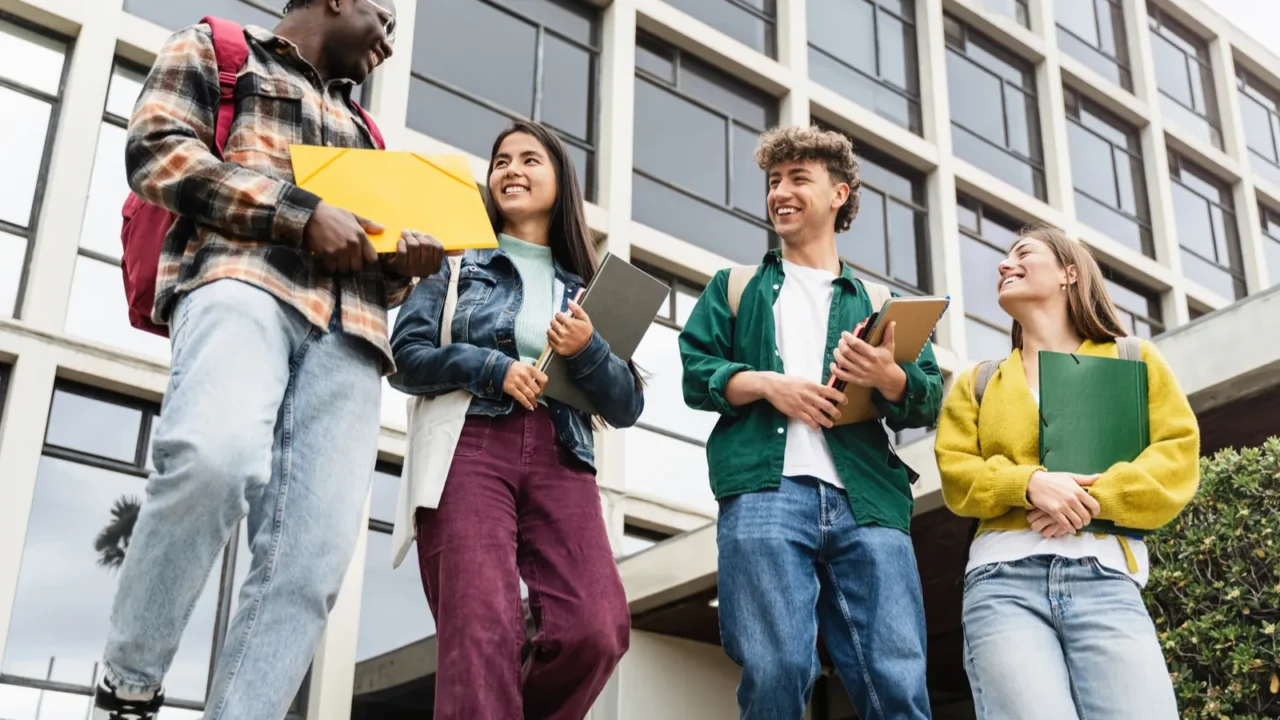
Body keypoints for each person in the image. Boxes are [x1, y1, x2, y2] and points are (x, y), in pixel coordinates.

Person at [92, 2, 445, 719]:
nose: (390, 38)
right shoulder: (217, 49)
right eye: (384, 16)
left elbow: (378, 260)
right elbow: (158, 151)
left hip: (352, 335)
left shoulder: (368, 133)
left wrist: (408, 262)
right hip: (242, 281)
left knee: (309, 565)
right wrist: (298, 212)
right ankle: (127, 690)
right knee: (212, 456)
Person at [678, 125, 941, 720]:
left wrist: (887, 376)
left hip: (869, 499)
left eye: (799, 178)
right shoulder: (736, 287)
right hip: (765, 493)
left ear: (839, 194)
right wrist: (771, 385)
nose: (781, 192)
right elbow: (697, 372)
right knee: (778, 670)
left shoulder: (880, 302)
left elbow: (928, 399)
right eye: (774, 181)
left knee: (896, 681)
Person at [388, 119, 643, 719]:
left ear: (560, 183)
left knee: (597, 629)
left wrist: (588, 349)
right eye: (502, 160)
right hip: (471, 446)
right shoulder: (454, 262)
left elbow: (626, 405)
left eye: (530, 160)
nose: (512, 170)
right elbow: (405, 358)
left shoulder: (586, 290)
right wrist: (491, 368)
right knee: (482, 631)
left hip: (563, 455)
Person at [934, 222, 1200, 720]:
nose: (1003, 264)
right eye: (1004, 257)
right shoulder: (979, 381)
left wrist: (1085, 500)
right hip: (1001, 583)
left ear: (1068, 273)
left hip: (1105, 578)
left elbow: (1176, 457)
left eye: (1023, 253)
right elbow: (956, 473)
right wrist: (1029, 484)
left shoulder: (1132, 359)